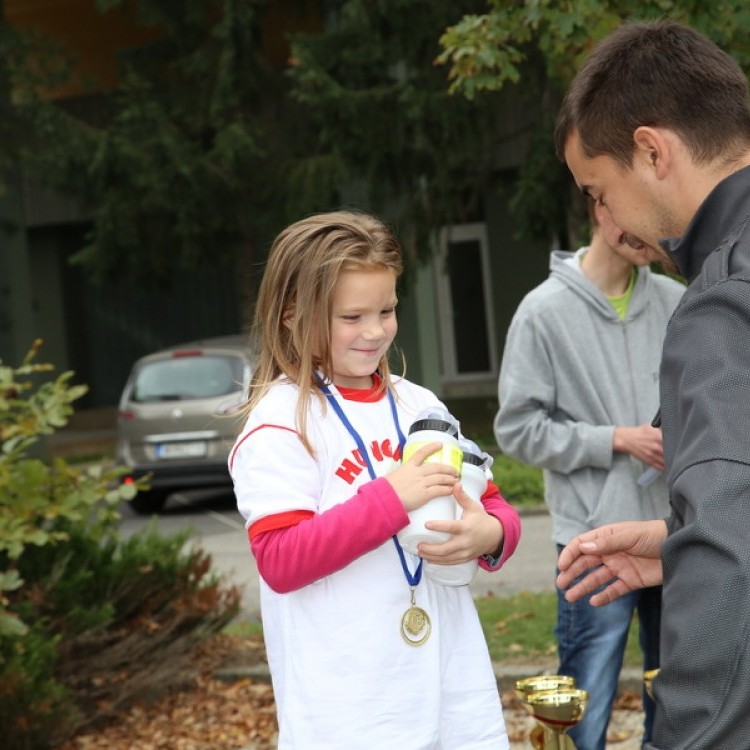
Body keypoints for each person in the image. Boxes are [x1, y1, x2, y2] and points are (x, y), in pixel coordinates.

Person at [229, 209, 521, 749]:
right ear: (293, 314)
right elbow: (281, 560)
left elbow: (493, 503)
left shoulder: (420, 404)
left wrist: (492, 536)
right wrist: (390, 497)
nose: (375, 331)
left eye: (386, 310)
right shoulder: (278, 423)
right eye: (351, 316)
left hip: (454, 695)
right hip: (352, 713)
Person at [553, 19, 750, 749]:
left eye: (598, 191)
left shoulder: (722, 304)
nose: (604, 219)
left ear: (652, 150)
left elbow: (733, 567)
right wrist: (677, 540)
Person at [494, 199, 683, 750]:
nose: (658, 229)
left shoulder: (677, 301)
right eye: (642, 212)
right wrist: (617, 439)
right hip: (594, 541)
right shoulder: (542, 311)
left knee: (679, 707)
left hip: (676, 534)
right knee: (583, 709)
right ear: (602, 209)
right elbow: (518, 429)